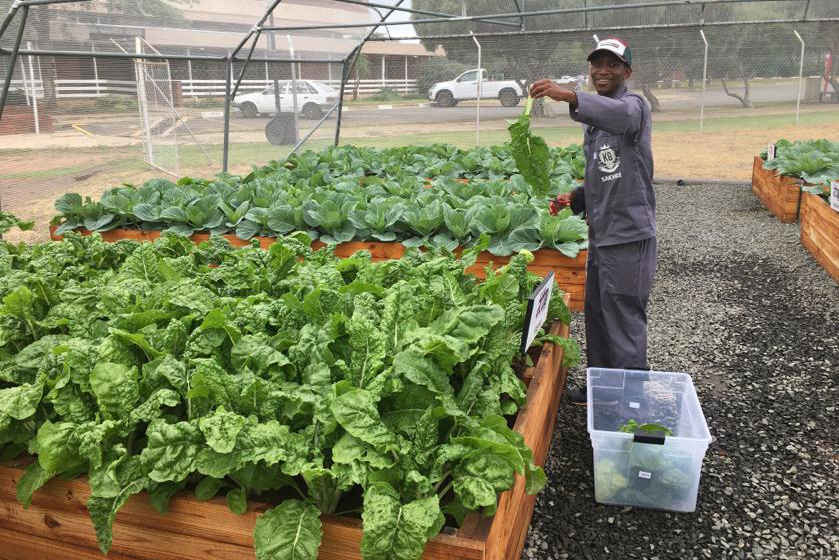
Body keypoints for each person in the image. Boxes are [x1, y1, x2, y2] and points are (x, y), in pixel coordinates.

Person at [530, 37, 657, 405]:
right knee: (599, 317)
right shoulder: (596, 123)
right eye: (597, 64)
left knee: (623, 319)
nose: (602, 71)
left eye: (612, 64)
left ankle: (632, 402)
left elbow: (624, 118)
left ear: (626, 72)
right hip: (602, 235)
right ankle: (601, 388)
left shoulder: (632, 106)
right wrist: (577, 197)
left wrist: (570, 96)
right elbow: (607, 172)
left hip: (628, 235)